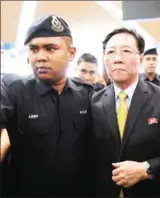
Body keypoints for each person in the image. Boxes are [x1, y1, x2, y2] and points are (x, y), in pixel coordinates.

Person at [91, 27, 160, 197]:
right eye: (110, 52)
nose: (117, 59)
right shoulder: (94, 101)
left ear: (140, 58)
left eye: (126, 51)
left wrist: (146, 169)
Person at [0, 14, 93, 197]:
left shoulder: (86, 94)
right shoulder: (13, 92)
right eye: (34, 49)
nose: (40, 57)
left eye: (50, 49)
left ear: (71, 53)